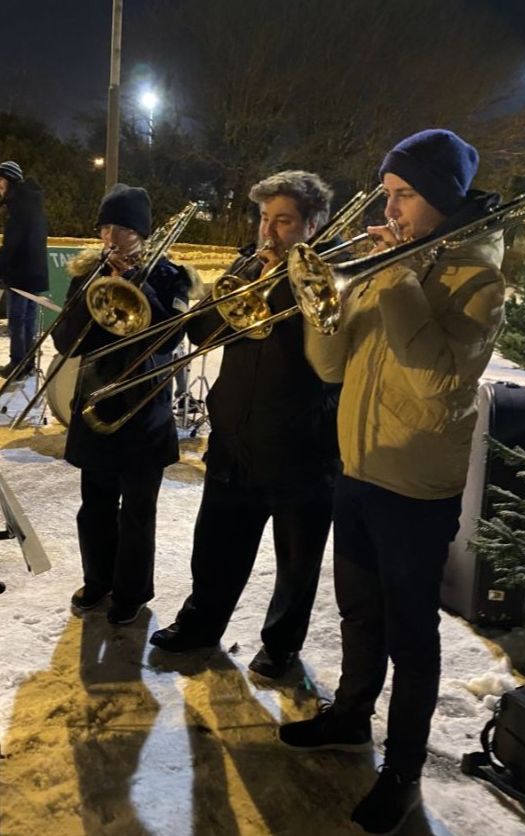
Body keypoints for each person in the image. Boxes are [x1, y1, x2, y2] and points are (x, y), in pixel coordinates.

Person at [279, 130, 506, 834]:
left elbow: (436, 378)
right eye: (387, 192)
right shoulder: (387, 267)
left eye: (404, 194)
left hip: (416, 488)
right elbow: (330, 367)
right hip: (359, 467)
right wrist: (320, 302)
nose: (390, 208)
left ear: (439, 197)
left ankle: (403, 770)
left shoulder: (479, 282)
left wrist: (398, 278)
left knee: (411, 638)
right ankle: (351, 716)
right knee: (358, 613)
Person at [150, 170, 341, 678]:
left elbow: (332, 356)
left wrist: (289, 288)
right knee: (215, 546)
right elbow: (200, 331)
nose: (269, 231)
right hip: (235, 437)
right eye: (264, 218)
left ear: (313, 225)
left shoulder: (333, 277)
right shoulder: (246, 265)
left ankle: (281, 646)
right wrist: (238, 289)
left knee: (296, 562)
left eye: (283, 221)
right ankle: (200, 624)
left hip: (302, 444)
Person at [53, 183, 193, 625]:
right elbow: (64, 341)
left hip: (145, 408)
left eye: (123, 229)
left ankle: (131, 592)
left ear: (142, 233)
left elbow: (170, 339)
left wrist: (139, 287)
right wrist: (93, 291)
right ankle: (97, 580)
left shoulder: (171, 276)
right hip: (97, 402)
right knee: (94, 505)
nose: (111, 238)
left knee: (137, 510)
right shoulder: (87, 273)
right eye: (105, 228)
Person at [0, 161, 49, 379]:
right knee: (27, 319)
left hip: (21, 273)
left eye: (1, 182)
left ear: (9, 181)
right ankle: (27, 362)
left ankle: (18, 362)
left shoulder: (18, 206)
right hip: (34, 273)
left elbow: (13, 244)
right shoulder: (31, 202)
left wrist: (2, 267)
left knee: (17, 319)